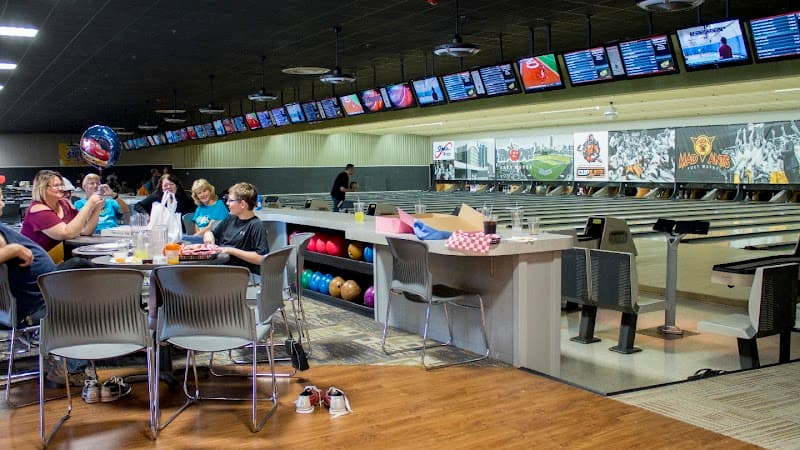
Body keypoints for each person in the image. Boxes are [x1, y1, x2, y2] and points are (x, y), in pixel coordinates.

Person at [0, 189, 96, 387]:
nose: (2, 202)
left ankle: (62, 355)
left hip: (45, 287)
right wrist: (14, 249)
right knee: (89, 298)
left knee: (81, 265)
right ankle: (70, 368)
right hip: (38, 303)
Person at [21, 170, 104, 252]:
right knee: (80, 262)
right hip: (36, 260)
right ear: (43, 188)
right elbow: (67, 233)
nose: (61, 189)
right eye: (56, 185)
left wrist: (97, 208)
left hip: (59, 257)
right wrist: (89, 204)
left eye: (61, 185)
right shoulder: (38, 210)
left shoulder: (65, 204)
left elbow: (85, 231)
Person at [204, 182, 269, 274]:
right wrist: (208, 234)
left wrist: (231, 250)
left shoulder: (256, 225)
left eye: (230, 200)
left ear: (242, 204)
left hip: (239, 273)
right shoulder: (230, 218)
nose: (227, 203)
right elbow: (213, 233)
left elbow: (261, 258)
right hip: (221, 266)